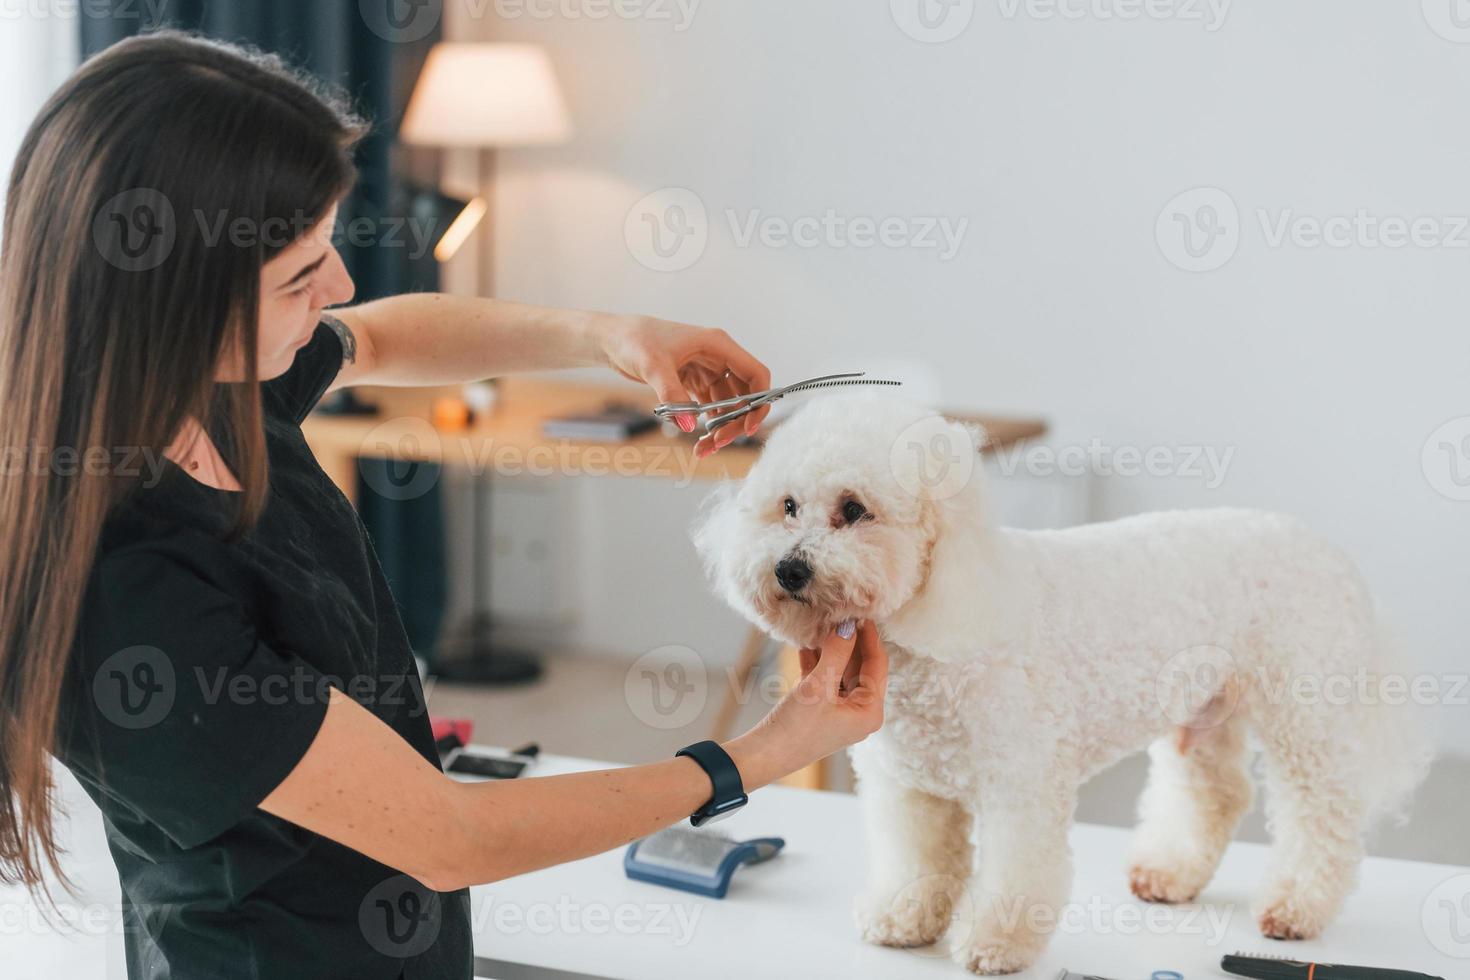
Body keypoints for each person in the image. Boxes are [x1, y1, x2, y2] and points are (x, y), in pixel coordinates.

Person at [0, 30, 888, 980]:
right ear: (174, 300)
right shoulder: (128, 590)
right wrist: (764, 751)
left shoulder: (210, 387)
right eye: (300, 276)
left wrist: (614, 335)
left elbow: (378, 339)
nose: (338, 286)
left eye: (326, 248)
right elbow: (450, 834)